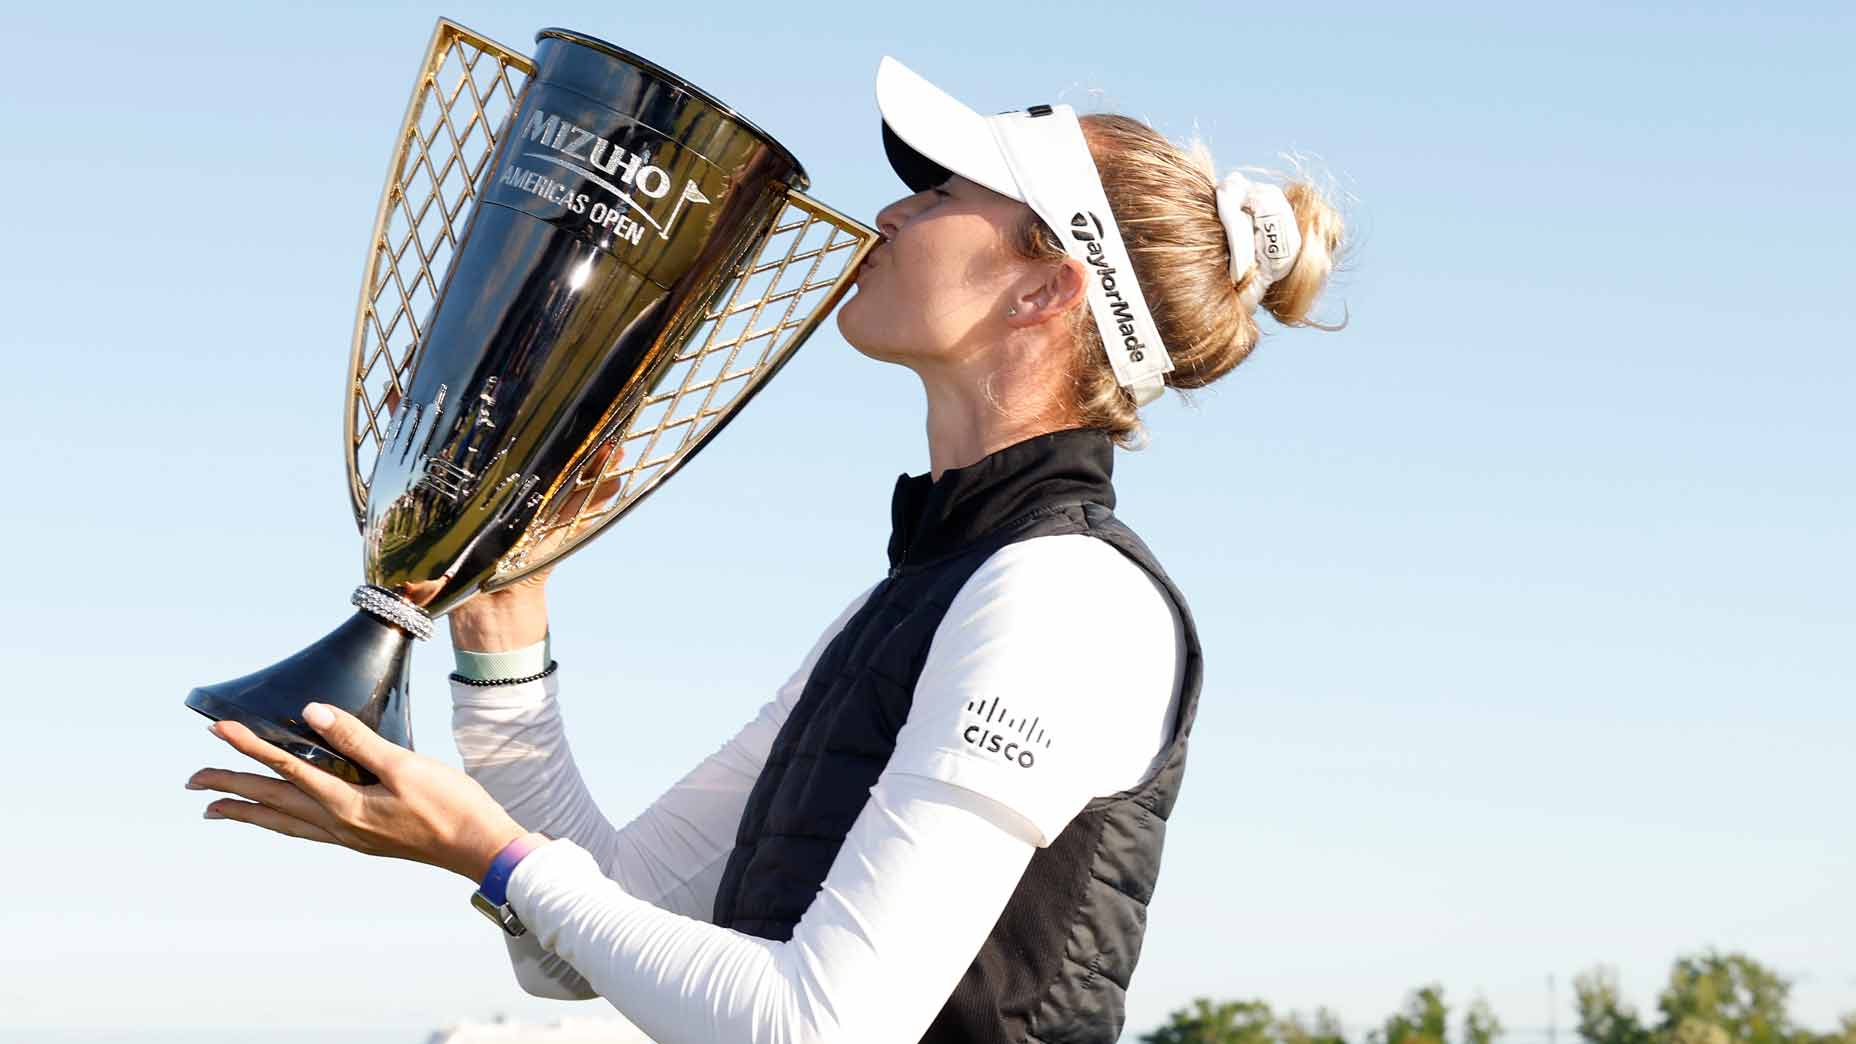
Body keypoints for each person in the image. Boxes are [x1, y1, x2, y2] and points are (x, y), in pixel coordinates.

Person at [188, 55, 1346, 1044]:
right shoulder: (927, 591)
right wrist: (503, 610)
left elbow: (820, 1024)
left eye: (942, 191)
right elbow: (589, 933)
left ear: (1046, 289)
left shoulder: (1062, 602)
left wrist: (491, 855)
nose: (889, 214)